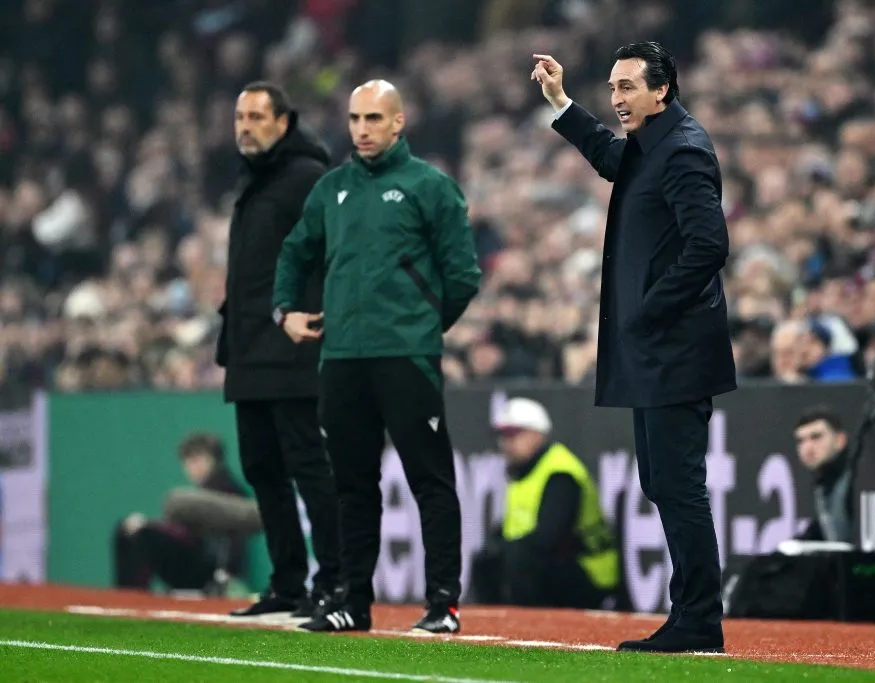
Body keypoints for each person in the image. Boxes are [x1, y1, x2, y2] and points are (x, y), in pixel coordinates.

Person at [532, 42, 736, 654]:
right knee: (665, 483)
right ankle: (691, 614)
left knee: (678, 484)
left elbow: (709, 245)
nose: (617, 100)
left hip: (675, 348)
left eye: (627, 89)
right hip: (659, 350)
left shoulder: (684, 150)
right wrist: (563, 103)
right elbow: (609, 159)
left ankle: (698, 620)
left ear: (662, 90)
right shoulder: (654, 145)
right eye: (613, 89)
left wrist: (648, 310)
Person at [272, 80, 482, 634]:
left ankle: (443, 604)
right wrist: (284, 311)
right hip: (341, 358)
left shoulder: (430, 186)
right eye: (354, 119)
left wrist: (420, 328)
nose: (361, 129)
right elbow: (295, 252)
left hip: (405, 357)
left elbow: (463, 274)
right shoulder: (331, 188)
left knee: (429, 480)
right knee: (352, 485)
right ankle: (352, 602)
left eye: (373, 119)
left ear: (398, 123)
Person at [217, 81, 342, 619]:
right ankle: (288, 583)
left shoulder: (306, 179)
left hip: (294, 347)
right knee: (263, 469)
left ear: (283, 123)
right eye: (239, 116)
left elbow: (334, 253)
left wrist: (308, 315)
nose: (244, 126)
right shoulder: (256, 179)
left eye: (256, 117)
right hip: (248, 349)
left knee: (309, 467)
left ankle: (336, 582)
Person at [470, 397, 619, 609]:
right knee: (486, 559)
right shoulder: (524, 470)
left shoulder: (561, 473)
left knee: (521, 557)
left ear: (536, 435)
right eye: (502, 436)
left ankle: (531, 626)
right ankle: (494, 625)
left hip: (589, 571)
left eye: (513, 434)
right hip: (552, 562)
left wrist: (506, 549)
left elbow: (550, 536)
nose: (505, 443)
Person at [113, 433, 254, 594]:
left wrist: (223, 576)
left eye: (198, 459)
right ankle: (129, 595)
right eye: (188, 461)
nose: (193, 467)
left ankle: (132, 596)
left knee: (142, 533)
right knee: (129, 529)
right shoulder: (203, 492)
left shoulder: (227, 493)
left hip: (208, 575)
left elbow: (225, 541)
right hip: (199, 567)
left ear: (215, 460)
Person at [792, 407, 854, 544]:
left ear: (840, 441)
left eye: (816, 437)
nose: (807, 447)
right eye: (800, 441)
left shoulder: (855, 482)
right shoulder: (822, 485)